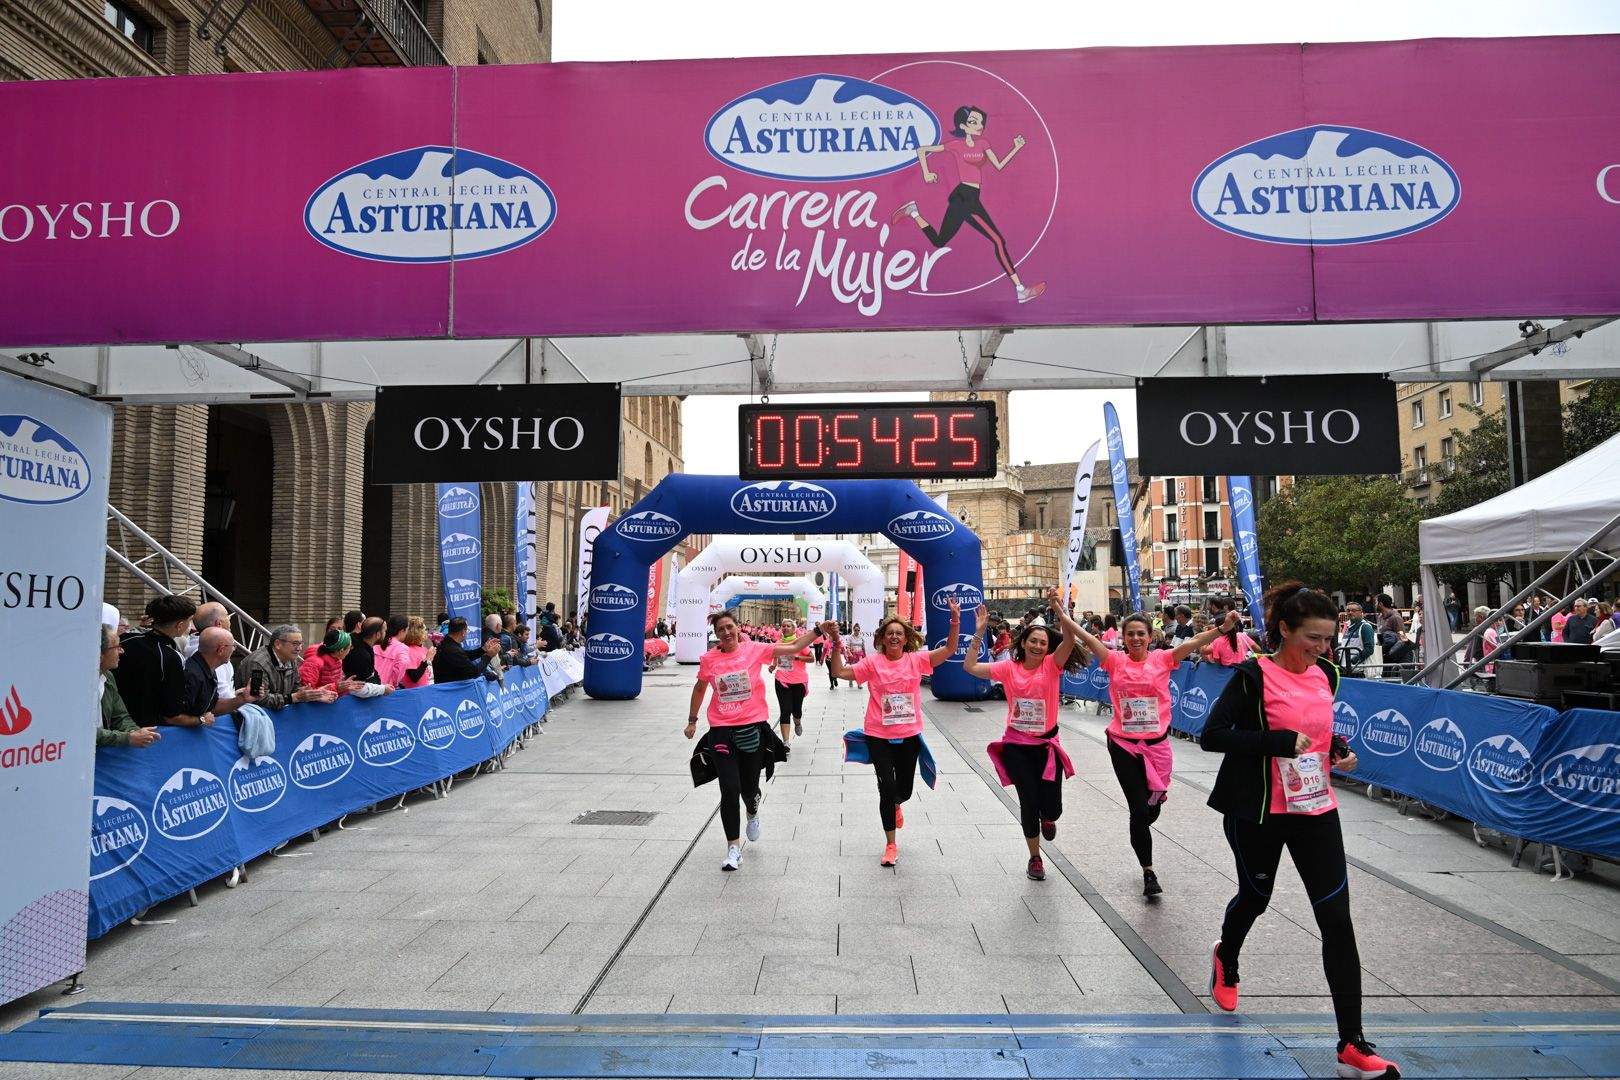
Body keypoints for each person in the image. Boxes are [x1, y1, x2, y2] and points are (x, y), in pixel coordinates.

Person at [1199, 582, 1401, 1080]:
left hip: (1315, 808)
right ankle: (1227, 955)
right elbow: (1213, 735)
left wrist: (1338, 752)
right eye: (1312, 637)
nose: (1322, 648)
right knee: (1256, 897)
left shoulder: (1327, 674)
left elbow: (1321, 730)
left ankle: (1351, 1045)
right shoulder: (1252, 676)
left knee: (1337, 919)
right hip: (1258, 811)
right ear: (1284, 630)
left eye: (1328, 638)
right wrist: (1278, 742)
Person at [1069, 606, 1241, 897]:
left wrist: (1223, 629)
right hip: (1123, 744)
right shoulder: (1113, 660)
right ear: (1123, 638)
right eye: (1130, 634)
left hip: (1157, 746)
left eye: (1140, 633)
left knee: (1151, 809)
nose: (1135, 638)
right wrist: (1063, 614)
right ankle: (1149, 872)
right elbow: (1086, 635)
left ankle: (1144, 819)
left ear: (1150, 636)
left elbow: (1193, 642)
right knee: (1138, 810)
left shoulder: (1163, 659)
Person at [685, 612, 826, 871]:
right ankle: (733, 848)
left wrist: (818, 630)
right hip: (721, 730)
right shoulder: (709, 659)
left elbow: (793, 647)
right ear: (716, 633)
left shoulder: (755, 650)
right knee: (729, 788)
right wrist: (693, 720)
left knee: (748, 789)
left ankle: (752, 810)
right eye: (720, 629)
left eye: (729, 627)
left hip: (751, 729)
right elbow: (700, 688)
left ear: (737, 628)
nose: (726, 632)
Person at [826, 602, 963, 867]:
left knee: (905, 791)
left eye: (899, 633)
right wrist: (834, 642)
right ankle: (890, 844)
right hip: (878, 735)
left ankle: (897, 802)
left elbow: (949, 649)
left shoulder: (916, 660)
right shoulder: (873, 663)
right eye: (890, 633)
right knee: (887, 790)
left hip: (909, 734)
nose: (894, 636)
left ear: (906, 638)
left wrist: (954, 621)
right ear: (882, 638)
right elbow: (839, 672)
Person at [962, 588, 1083, 881]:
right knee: (1028, 801)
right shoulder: (1008, 668)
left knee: (1052, 806)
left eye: (1043, 642)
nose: (1039, 646)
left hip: (1046, 747)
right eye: (1034, 641)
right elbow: (970, 667)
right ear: (1024, 643)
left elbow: (1069, 639)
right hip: (1017, 745)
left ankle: (1048, 817)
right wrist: (979, 633)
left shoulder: (1052, 666)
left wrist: (1060, 609)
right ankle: (1035, 858)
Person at [116, 594, 201, 728]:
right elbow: (172, 713)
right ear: (179, 625)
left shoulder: (126, 639)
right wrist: (201, 720)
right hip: (146, 731)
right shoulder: (170, 657)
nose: (191, 626)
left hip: (114, 721)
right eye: (189, 621)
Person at [239, 625, 338, 709]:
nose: (299, 648)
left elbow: (296, 689)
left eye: (301, 644)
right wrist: (293, 698)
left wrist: (313, 694)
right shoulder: (257, 663)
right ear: (278, 644)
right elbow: (257, 698)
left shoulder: (291, 659)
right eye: (295, 644)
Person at [182, 626, 260, 724]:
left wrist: (242, 699)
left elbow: (213, 706)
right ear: (221, 650)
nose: (234, 649)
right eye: (233, 645)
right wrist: (200, 720)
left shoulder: (208, 669)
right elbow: (171, 716)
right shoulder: (192, 674)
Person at [98, 624, 160, 748]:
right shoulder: (78, 686)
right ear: (100, 654)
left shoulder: (108, 677)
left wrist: (135, 732)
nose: (122, 651)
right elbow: (85, 731)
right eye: (117, 647)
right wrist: (127, 738)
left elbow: (120, 716)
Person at [771, 619, 812, 748]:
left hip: (798, 681)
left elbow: (812, 658)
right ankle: (786, 742)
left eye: (788, 626)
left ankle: (797, 722)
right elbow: (775, 659)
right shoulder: (778, 644)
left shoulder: (800, 643)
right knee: (785, 710)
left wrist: (797, 658)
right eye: (783, 626)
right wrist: (773, 667)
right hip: (782, 680)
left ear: (794, 629)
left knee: (796, 710)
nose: (785, 628)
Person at [432, 617, 501, 683]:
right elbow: (474, 672)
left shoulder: (447, 642)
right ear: (463, 632)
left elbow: (465, 655)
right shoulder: (453, 649)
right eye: (467, 630)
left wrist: (483, 649)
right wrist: (489, 656)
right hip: (450, 690)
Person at [344, 617, 390, 687]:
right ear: (377, 634)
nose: (385, 634)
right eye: (384, 631)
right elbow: (363, 685)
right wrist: (383, 689)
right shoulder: (361, 655)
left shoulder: (358, 642)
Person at [1337, 602, 1377, 675]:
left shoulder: (1365, 627)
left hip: (1358, 671)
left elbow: (1369, 649)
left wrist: (1354, 660)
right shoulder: (1347, 627)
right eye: (1348, 610)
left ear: (1361, 612)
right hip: (1345, 670)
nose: (1350, 612)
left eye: (1354, 610)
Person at [375, 615, 414, 687]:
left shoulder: (377, 642)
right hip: (386, 689)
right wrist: (393, 683)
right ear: (402, 630)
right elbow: (400, 668)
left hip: (370, 686)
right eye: (407, 630)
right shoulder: (402, 648)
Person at [400, 616, 436, 688]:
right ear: (418, 632)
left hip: (426, 690)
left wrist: (436, 644)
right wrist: (427, 659)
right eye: (425, 629)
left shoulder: (423, 648)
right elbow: (414, 677)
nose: (427, 632)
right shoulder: (408, 650)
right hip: (414, 694)